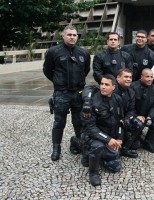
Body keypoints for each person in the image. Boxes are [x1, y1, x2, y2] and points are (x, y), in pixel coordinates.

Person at [43, 25, 90, 161]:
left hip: (78, 93)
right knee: (59, 122)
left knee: (78, 121)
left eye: (74, 35)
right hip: (62, 93)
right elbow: (47, 70)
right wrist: (58, 81)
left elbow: (85, 71)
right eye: (69, 34)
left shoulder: (83, 53)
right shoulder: (53, 52)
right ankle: (56, 148)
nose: (72, 37)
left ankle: (80, 144)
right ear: (63, 36)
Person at [80, 75, 124, 186]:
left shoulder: (117, 99)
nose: (103, 87)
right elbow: (90, 128)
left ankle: (94, 155)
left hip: (110, 135)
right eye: (102, 84)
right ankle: (93, 172)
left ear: (113, 87)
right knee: (98, 147)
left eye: (106, 84)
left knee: (116, 167)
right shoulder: (91, 103)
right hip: (94, 137)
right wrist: (108, 139)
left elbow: (120, 121)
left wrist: (119, 138)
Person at [130, 68, 154, 153]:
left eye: (151, 77)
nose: (149, 79)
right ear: (141, 76)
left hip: (148, 114)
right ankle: (136, 138)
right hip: (134, 114)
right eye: (147, 76)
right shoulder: (133, 87)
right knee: (135, 145)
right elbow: (129, 105)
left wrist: (149, 117)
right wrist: (136, 115)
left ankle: (148, 142)